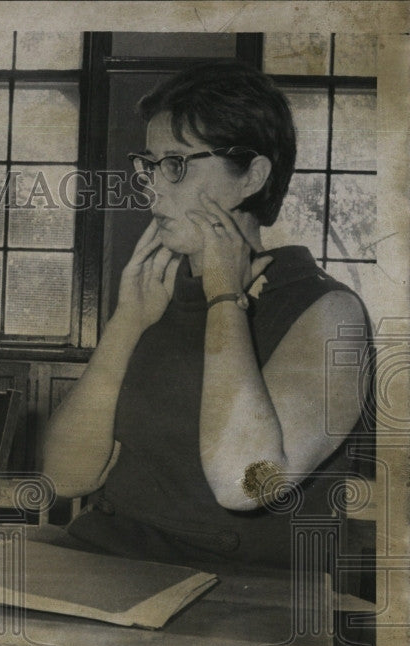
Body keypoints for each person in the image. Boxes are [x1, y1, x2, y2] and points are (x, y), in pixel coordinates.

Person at [42, 60, 370, 569]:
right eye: (148, 164)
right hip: (107, 559)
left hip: (235, 599)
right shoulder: (157, 297)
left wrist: (224, 299)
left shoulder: (329, 313)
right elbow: (66, 478)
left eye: (175, 163)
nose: (152, 187)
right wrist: (125, 326)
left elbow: (246, 483)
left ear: (252, 177)